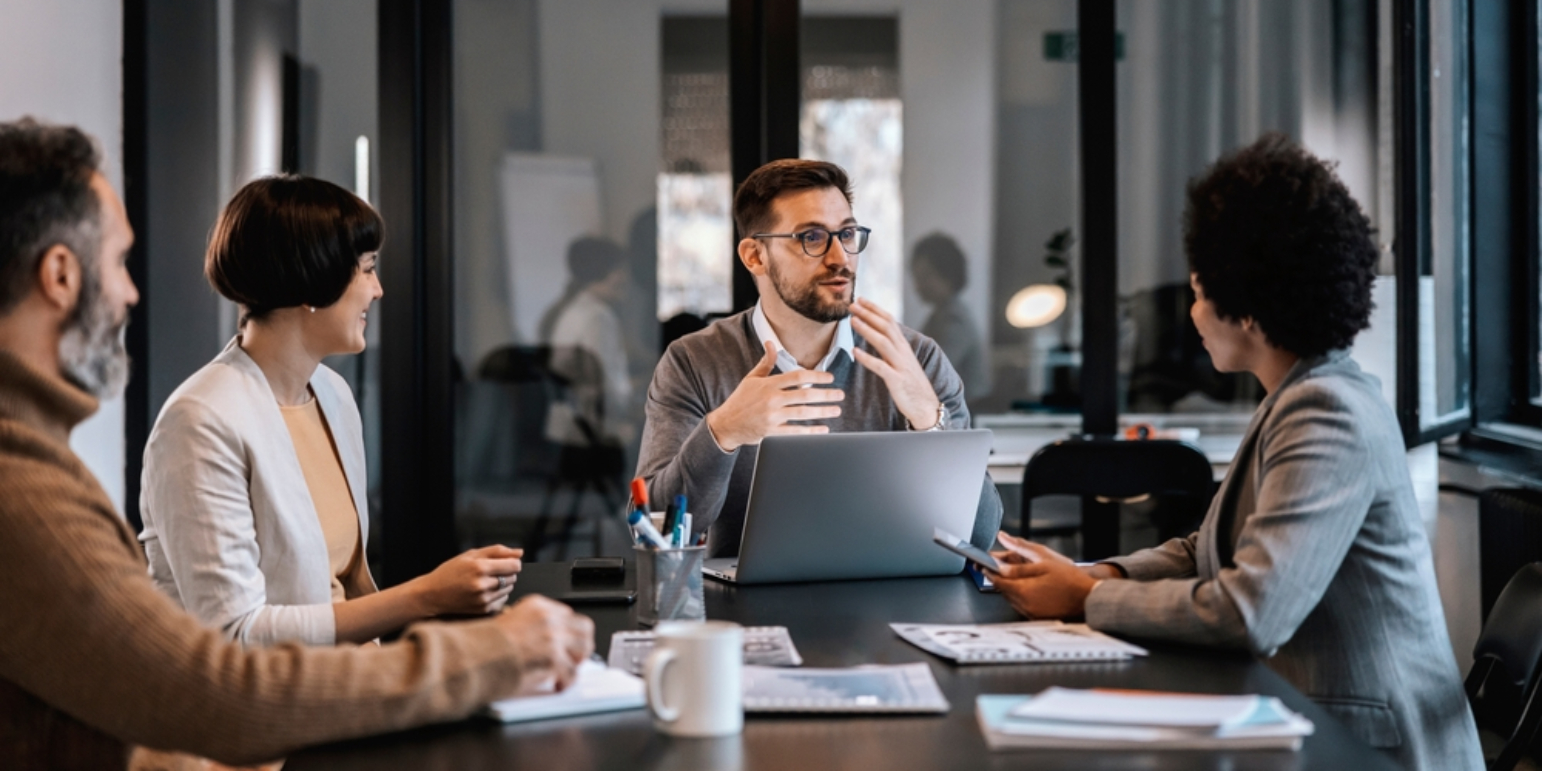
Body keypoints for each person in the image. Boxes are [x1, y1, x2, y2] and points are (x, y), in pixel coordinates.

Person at [0, 118, 593, 769]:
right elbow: (218, 683)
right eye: (117, 261)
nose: (131, 290)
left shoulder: (331, 396)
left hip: (329, 716)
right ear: (59, 274)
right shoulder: (34, 484)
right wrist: (481, 649)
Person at [987, 133, 1481, 771]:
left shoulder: (1325, 410)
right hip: (1310, 721)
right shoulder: (1295, 395)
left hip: (1371, 749)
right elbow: (1207, 548)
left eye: (1198, 292)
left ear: (1246, 306)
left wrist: (1083, 599)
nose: (1192, 314)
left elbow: (1252, 611)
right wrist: (1095, 575)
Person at [137, 175, 525, 647]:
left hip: (347, 684)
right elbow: (236, 633)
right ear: (313, 281)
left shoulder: (331, 393)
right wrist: (426, 596)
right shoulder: (198, 422)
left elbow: (343, 587)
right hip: (266, 710)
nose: (378, 290)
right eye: (366, 269)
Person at [636, 159, 1002, 556]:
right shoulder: (693, 361)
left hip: (891, 604)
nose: (840, 258)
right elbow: (652, 533)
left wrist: (929, 421)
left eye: (846, 234)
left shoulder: (917, 360)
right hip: (747, 609)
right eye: (812, 237)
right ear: (755, 256)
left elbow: (979, 538)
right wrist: (723, 432)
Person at [543, 236, 634, 451]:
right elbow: (603, 380)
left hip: (567, 426)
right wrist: (629, 410)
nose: (624, 277)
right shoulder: (598, 317)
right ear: (603, 272)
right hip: (591, 428)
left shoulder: (572, 310)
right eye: (618, 270)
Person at [911, 232, 989, 401]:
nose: (918, 285)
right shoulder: (938, 316)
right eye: (917, 277)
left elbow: (933, 373)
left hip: (965, 415)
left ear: (948, 275)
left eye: (926, 276)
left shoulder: (956, 320)